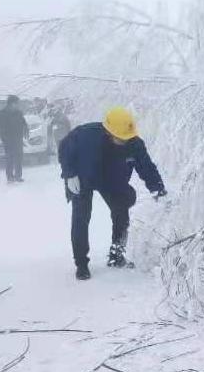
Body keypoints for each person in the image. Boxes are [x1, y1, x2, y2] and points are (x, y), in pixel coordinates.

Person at [58, 107, 167, 280]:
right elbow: (64, 148)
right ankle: (81, 264)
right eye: (119, 138)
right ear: (108, 131)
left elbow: (146, 167)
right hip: (82, 178)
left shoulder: (134, 143)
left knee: (122, 210)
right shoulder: (85, 135)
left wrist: (158, 188)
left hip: (112, 180)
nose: (123, 141)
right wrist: (69, 173)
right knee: (81, 217)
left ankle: (117, 255)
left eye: (126, 138)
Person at [0, 95, 28, 183]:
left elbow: (24, 123)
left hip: (18, 138)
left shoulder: (19, 113)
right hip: (7, 139)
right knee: (9, 158)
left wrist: (26, 130)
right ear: (12, 103)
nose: (19, 105)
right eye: (17, 103)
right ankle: (10, 177)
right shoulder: (1, 113)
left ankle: (18, 176)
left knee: (19, 157)